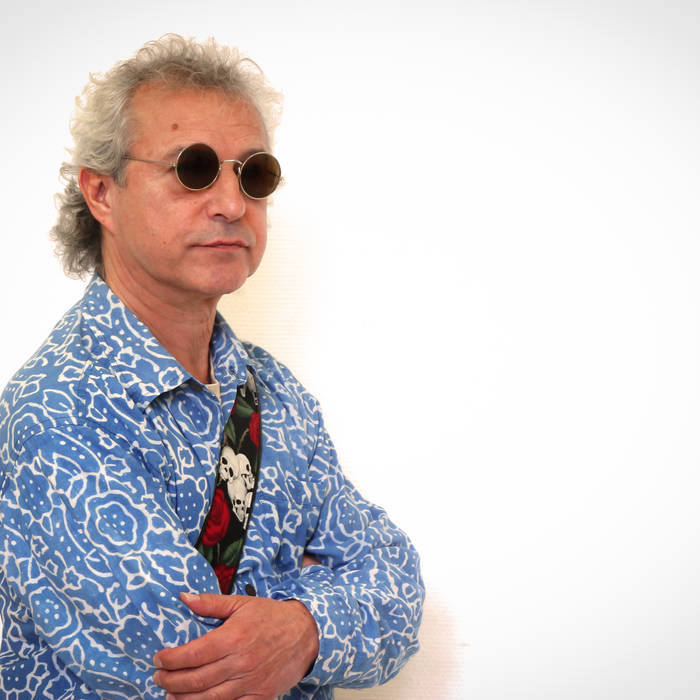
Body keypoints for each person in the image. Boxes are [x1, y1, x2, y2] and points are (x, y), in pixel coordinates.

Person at [0, 35, 424, 699]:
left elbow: (397, 583)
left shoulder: (276, 392)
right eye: (193, 169)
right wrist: (319, 597)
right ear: (102, 193)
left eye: (254, 174)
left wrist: (301, 629)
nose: (231, 202)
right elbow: (193, 667)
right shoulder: (55, 415)